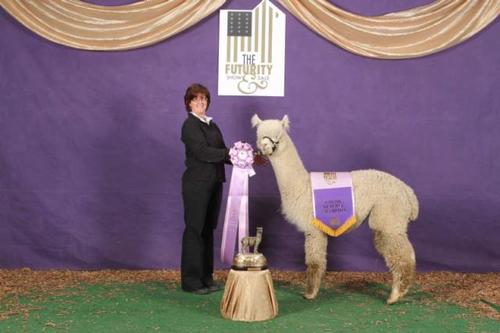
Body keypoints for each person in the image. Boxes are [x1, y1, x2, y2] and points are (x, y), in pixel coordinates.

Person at [180, 83, 230, 295]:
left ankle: (206, 277)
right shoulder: (189, 125)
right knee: (195, 230)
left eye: (204, 99)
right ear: (189, 103)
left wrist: (246, 157)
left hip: (214, 183)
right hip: (196, 185)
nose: (201, 102)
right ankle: (191, 281)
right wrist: (229, 152)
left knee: (208, 231)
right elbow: (202, 152)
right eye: (196, 99)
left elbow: (222, 153)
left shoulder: (212, 125)